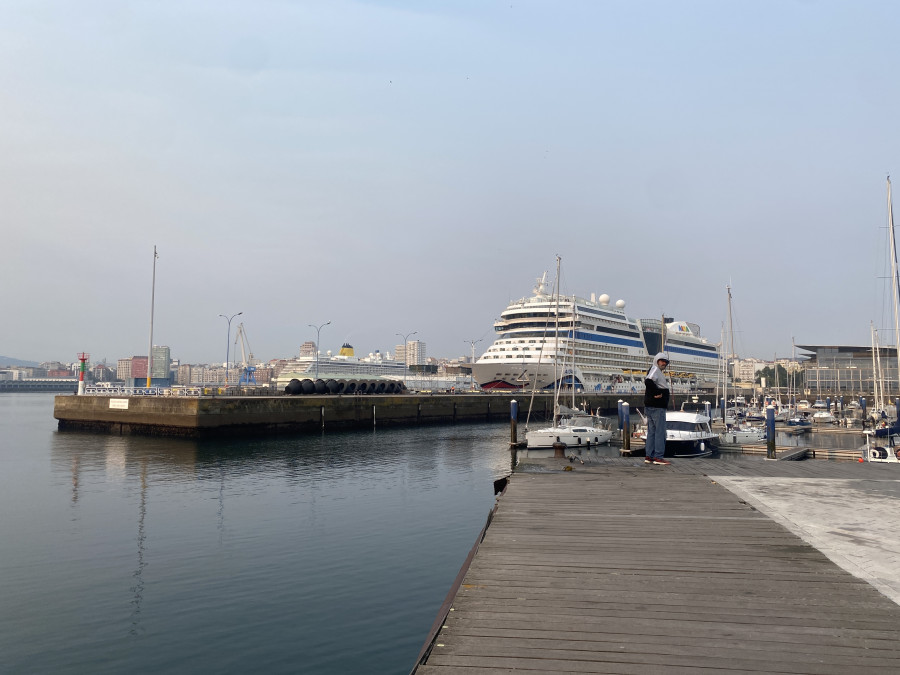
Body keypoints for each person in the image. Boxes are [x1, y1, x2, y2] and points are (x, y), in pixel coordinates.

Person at [644, 352, 671, 466]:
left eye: (665, 362)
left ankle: (649, 456)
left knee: (652, 432)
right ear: (656, 360)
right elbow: (648, 381)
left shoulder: (654, 369)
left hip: (651, 406)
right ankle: (658, 457)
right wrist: (657, 393)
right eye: (662, 361)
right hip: (657, 407)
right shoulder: (655, 369)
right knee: (660, 432)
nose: (664, 363)